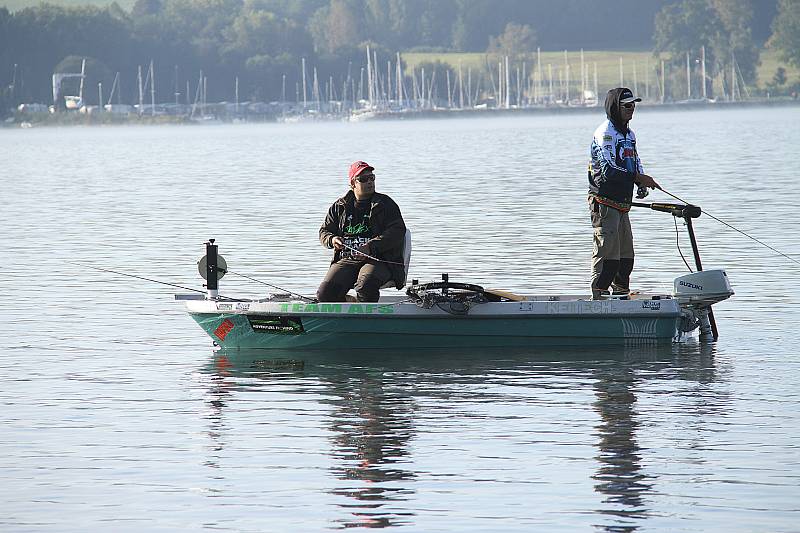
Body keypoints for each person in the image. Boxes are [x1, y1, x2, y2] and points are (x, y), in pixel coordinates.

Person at [588, 87, 660, 300]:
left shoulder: (629, 134)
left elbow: (635, 161)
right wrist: (637, 178)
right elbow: (609, 170)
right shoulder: (605, 133)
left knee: (625, 255)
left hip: (622, 202)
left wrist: (642, 183)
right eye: (627, 106)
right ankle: (598, 294)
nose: (632, 110)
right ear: (615, 108)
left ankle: (620, 293)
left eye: (634, 105)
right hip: (604, 200)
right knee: (606, 252)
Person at [317, 161, 407, 302]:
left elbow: (397, 231)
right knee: (325, 294)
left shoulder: (385, 203)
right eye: (364, 179)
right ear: (353, 183)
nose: (370, 182)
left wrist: (370, 247)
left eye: (372, 178)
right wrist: (332, 239)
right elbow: (324, 231)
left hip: (380, 260)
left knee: (365, 286)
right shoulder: (339, 206)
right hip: (347, 260)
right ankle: (350, 305)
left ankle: (369, 321)